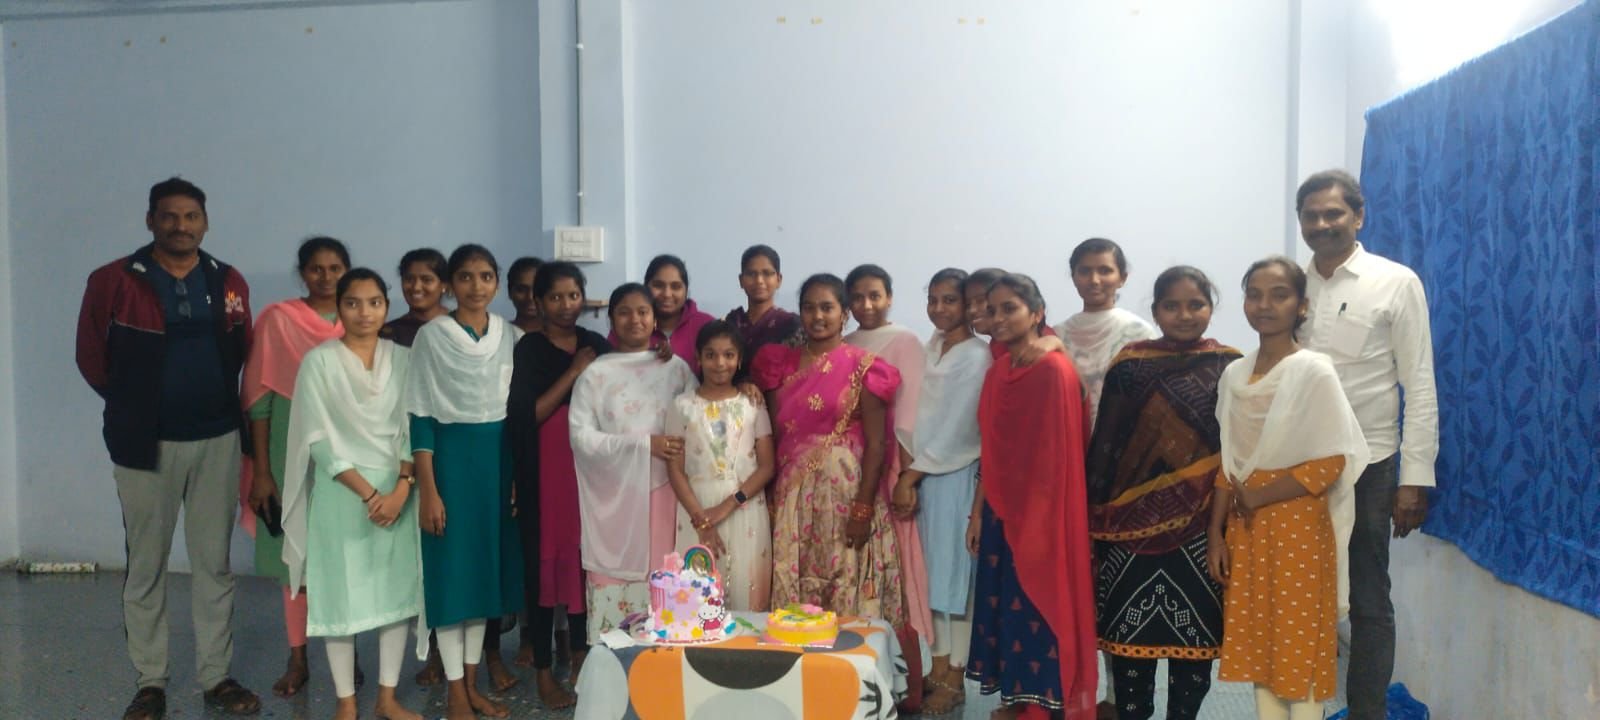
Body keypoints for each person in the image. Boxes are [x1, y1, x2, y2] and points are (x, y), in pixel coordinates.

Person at [76, 176, 261, 719]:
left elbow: (244, 350)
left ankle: (216, 676)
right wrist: (132, 409)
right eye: (170, 216)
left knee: (214, 565)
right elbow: (90, 356)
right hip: (145, 444)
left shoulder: (226, 280)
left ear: (205, 222)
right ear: (150, 220)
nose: (181, 226)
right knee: (147, 566)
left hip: (218, 439)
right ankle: (151, 682)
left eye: (191, 216)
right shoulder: (113, 280)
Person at [1296, 170, 1438, 720]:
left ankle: (1366, 713)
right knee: (1300, 596)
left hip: (1370, 465)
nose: (1322, 224)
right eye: (1311, 215)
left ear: (1358, 216)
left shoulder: (1395, 282)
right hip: (1297, 466)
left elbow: (1418, 382)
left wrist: (1414, 478)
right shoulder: (1290, 286)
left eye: (1333, 213)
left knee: (1368, 601)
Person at [1207, 257, 1368, 720]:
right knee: (1261, 644)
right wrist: (1216, 533)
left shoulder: (1313, 371)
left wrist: (1260, 496)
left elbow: (1333, 460)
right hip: (1245, 529)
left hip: (1297, 524)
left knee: (1300, 646)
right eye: (1254, 294)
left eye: (1279, 295)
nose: (1264, 305)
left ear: (1301, 306)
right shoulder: (1235, 376)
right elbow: (1229, 459)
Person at [1086, 266, 1241, 720]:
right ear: (1155, 311)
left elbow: (1237, 446)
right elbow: (1106, 446)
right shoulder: (1129, 365)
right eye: (1171, 306)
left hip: (1202, 527)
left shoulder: (1229, 366)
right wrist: (1094, 524)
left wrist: (1225, 527)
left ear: (1211, 308)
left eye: (1196, 304)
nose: (1184, 314)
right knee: (1128, 653)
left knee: (1194, 652)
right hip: (1126, 533)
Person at [279, 269, 424, 720]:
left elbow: (413, 426)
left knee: (396, 597)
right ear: (339, 308)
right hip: (343, 495)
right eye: (353, 303)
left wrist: (401, 488)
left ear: (386, 307)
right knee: (340, 596)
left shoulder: (405, 359)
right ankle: (346, 702)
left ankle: (387, 698)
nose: (365, 312)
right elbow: (316, 438)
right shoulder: (319, 362)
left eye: (375, 302)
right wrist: (369, 494)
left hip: (399, 494)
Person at [968, 272, 1098, 720]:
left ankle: (1046, 706)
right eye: (993, 310)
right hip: (1002, 509)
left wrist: (1040, 519)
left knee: (1040, 605)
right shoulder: (999, 371)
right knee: (1007, 607)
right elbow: (990, 448)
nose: (999, 318)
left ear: (1037, 312)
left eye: (1010, 308)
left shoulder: (1053, 370)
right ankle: (1018, 700)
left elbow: (1058, 456)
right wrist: (978, 512)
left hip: (1042, 513)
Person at [404, 244, 523, 720]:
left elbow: (517, 413)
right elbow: (420, 414)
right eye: (466, 277)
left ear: (497, 282)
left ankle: (472, 686)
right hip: (451, 466)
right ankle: (455, 691)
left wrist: (516, 477)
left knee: (483, 581)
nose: (477, 286)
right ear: (450, 285)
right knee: (453, 579)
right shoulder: (432, 337)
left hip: (497, 464)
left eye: (486, 276)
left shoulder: (510, 336)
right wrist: (429, 490)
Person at [751, 274, 906, 625]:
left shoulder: (864, 367)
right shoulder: (780, 365)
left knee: (846, 582)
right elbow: (772, 435)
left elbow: (877, 444)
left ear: (844, 313)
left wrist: (863, 509)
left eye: (827, 307)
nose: (817, 316)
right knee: (796, 599)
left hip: (846, 498)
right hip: (793, 501)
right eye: (809, 308)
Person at [240, 236, 350, 698]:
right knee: (295, 560)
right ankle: (298, 658)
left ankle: (348, 655)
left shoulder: (359, 317)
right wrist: (263, 472)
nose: (325, 277)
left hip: (346, 452)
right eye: (316, 268)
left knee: (344, 556)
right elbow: (260, 400)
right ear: (301, 273)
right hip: (288, 450)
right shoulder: (278, 321)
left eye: (335, 268)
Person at [506, 261, 609, 709]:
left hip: (589, 472)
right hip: (545, 473)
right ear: (538, 301)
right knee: (543, 569)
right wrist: (574, 372)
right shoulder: (530, 348)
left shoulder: (596, 343)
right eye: (555, 297)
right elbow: (527, 415)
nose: (566, 305)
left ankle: (584, 659)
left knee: (586, 562)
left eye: (573, 295)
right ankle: (545, 673)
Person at [570, 282, 698, 639]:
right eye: (624, 312)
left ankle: (665, 665)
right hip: (615, 497)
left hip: (667, 494)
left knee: (668, 582)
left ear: (655, 319)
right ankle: (613, 663)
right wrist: (643, 445)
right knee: (615, 593)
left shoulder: (676, 369)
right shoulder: (595, 374)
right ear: (611, 320)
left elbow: (698, 418)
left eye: (643, 312)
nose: (634, 319)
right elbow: (580, 436)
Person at [891, 268, 990, 715]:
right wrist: (909, 469)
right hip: (922, 472)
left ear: (968, 304)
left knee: (956, 581)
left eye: (950, 300)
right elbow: (914, 410)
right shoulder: (930, 347)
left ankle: (956, 677)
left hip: (955, 472)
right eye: (933, 299)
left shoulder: (977, 356)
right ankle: (938, 665)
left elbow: (959, 426)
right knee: (929, 577)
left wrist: (911, 476)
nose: (939, 308)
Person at [843, 263, 932, 711]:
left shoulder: (905, 341)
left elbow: (912, 411)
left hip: (894, 463)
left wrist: (906, 478)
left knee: (902, 570)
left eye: (875, 295)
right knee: (866, 572)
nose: (866, 305)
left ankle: (914, 678)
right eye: (857, 297)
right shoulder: (844, 344)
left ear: (890, 297)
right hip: (853, 468)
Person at [666, 320, 776, 611]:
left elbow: (767, 466)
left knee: (746, 595)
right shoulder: (681, 406)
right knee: (697, 599)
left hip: (745, 507)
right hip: (696, 508)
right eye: (711, 355)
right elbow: (675, 470)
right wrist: (702, 521)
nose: (719, 363)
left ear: (739, 360)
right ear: (698, 358)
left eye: (728, 355)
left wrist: (727, 506)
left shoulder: (753, 404)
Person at [1053, 238, 1159, 429]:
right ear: (1073, 277)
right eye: (1085, 271)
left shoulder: (1139, 333)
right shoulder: (1057, 335)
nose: (1094, 280)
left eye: (1105, 271)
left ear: (1122, 278)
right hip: (1069, 435)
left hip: (1122, 439)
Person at [613, 254, 714, 371]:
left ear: (686, 290)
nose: (667, 294)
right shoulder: (630, 326)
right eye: (658, 285)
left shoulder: (706, 325)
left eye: (675, 286)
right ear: (645, 287)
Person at [724, 244, 804, 356]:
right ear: (741, 280)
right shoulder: (731, 325)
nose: (759, 280)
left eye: (767, 273)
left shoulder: (792, 325)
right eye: (751, 274)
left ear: (778, 280)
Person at [381, 248, 449, 348]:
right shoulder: (389, 334)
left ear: (444, 285)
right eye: (409, 279)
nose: (416, 287)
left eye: (427, 280)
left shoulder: (460, 326)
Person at [508, 256, 544, 334]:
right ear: (510, 292)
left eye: (537, 289)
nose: (530, 297)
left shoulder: (564, 336)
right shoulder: (498, 334)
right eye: (521, 290)